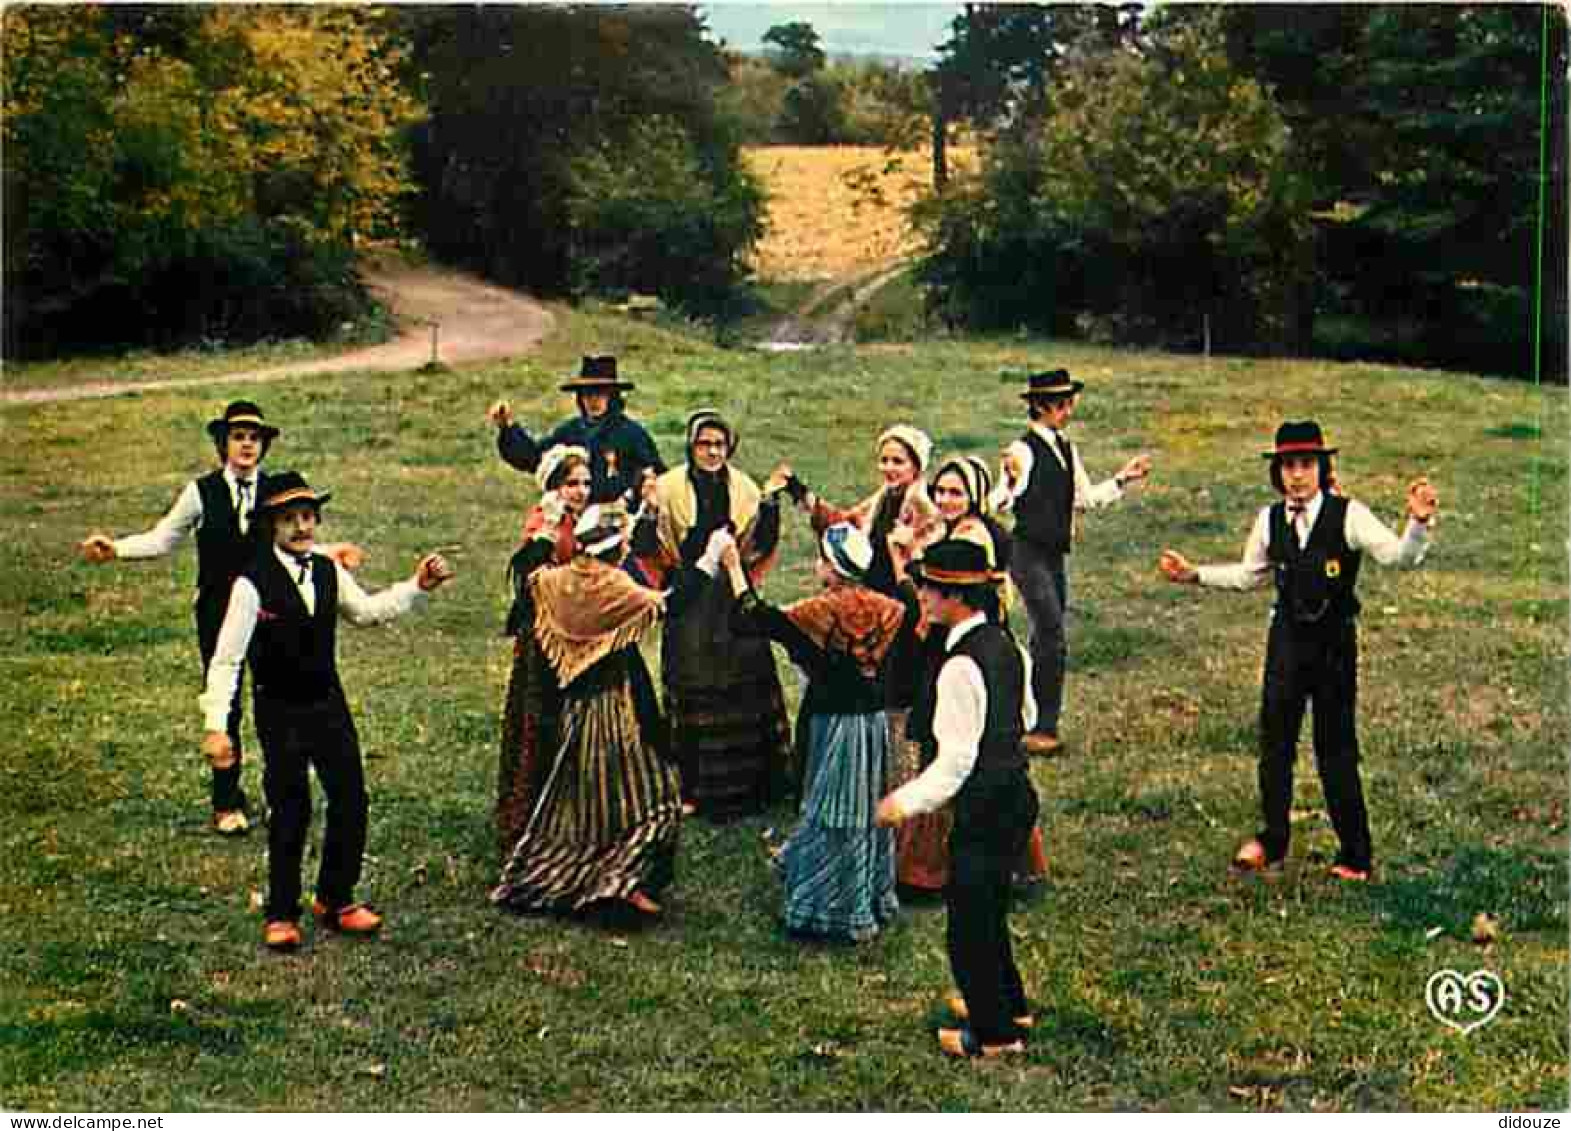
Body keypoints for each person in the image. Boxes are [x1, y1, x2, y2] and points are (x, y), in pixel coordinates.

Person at [1158, 421, 1438, 881]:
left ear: (1323, 467)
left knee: (1336, 747)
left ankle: (1354, 854)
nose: (1297, 475)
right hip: (1286, 642)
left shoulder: (1348, 514)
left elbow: (1397, 556)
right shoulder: (1269, 520)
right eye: (1288, 465)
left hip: (1333, 645)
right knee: (1275, 743)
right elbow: (1252, 575)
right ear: (1277, 471)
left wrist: (1418, 523)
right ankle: (1272, 839)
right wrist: (1194, 574)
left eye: (1306, 464)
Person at [198, 473, 454, 952]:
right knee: (291, 806)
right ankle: (281, 911)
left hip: (327, 703)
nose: (300, 527)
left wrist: (417, 586)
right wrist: (216, 726)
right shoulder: (251, 584)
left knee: (352, 797)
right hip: (279, 709)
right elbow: (227, 660)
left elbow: (369, 611)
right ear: (271, 526)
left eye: (307, 517)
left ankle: (335, 897)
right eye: (289, 519)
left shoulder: (328, 571)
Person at [79, 401, 360, 836]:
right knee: (224, 698)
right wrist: (117, 548)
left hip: (271, 612)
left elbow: (292, 544)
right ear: (223, 443)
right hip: (216, 611)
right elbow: (163, 537)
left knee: (278, 699)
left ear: (263, 446)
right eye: (238, 436)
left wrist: (331, 552)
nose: (247, 445)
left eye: (255, 438)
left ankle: (280, 793)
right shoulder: (201, 492)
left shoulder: (275, 493)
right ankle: (226, 801)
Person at [491, 504, 729, 919]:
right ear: (617, 550)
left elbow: (526, 570)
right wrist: (710, 558)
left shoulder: (553, 580)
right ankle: (617, 882)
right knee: (654, 798)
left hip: (571, 708)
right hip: (612, 710)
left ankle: (574, 874)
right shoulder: (613, 587)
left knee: (581, 800)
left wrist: (546, 532)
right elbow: (672, 603)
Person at [875, 538, 1040, 1060]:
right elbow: (1029, 716)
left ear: (956, 598)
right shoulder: (1008, 646)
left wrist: (904, 802)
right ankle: (1011, 1005)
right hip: (1017, 795)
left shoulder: (959, 667)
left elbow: (955, 761)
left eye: (929, 587)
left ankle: (995, 1037)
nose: (921, 593)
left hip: (983, 807)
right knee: (990, 910)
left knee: (967, 925)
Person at [727, 523, 915, 942]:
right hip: (872, 724)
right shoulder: (890, 609)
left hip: (834, 722)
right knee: (865, 809)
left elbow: (754, 617)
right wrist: (902, 562)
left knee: (833, 810)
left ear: (832, 568)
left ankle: (830, 906)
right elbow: (910, 601)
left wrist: (732, 566)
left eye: (822, 560)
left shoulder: (820, 611)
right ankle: (869, 893)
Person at [895, 455, 1049, 893]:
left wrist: (905, 558)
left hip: (971, 641)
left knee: (960, 745)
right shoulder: (957, 530)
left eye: (955, 492)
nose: (945, 499)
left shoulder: (973, 536)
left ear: (973, 496)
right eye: (940, 491)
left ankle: (930, 869)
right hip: (959, 638)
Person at [633, 409, 793, 821]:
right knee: (693, 681)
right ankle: (694, 786)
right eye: (704, 444)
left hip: (731, 596)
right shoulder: (668, 488)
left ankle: (756, 784)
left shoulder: (743, 488)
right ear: (690, 446)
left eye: (719, 445)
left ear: (730, 448)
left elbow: (760, 541)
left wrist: (771, 502)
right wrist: (649, 509)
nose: (712, 452)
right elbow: (647, 546)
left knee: (745, 680)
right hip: (689, 599)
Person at [993, 369, 1153, 757]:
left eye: (1069, 402)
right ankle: (1041, 727)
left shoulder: (1067, 448)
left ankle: (1037, 721)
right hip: (1026, 551)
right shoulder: (1021, 451)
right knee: (1050, 631)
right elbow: (999, 499)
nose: (1068, 410)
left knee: (1048, 635)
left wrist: (1123, 479)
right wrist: (1009, 487)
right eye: (1061, 404)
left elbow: (1084, 499)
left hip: (1053, 554)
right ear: (1041, 407)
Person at [494, 445, 592, 861]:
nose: (581, 491)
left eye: (586, 483)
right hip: (544, 638)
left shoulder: (585, 518)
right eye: (573, 484)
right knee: (543, 719)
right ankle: (531, 821)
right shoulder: (544, 520)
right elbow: (527, 575)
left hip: (578, 630)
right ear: (555, 486)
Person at [487, 355, 664, 506]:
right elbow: (533, 458)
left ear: (612, 396)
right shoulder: (570, 431)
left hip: (619, 518)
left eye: (600, 393)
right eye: (587, 394)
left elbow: (656, 476)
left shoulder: (632, 434)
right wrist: (508, 427)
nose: (593, 401)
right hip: (573, 516)